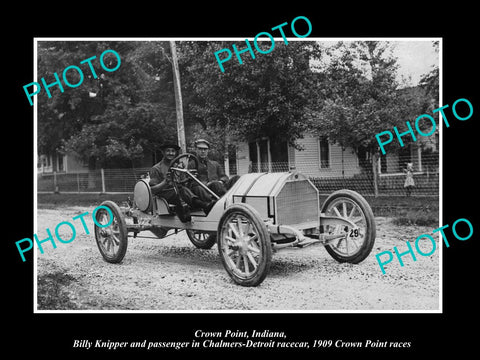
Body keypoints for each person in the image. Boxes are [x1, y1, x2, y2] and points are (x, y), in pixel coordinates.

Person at [149, 143, 215, 216]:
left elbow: (183, 183)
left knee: (197, 187)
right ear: (163, 152)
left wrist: (189, 179)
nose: (170, 153)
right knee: (182, 190)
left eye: (173, 151)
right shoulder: (156, 168)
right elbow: (153, 190)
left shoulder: (178, 166)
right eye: (168, 151)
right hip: (166, 194)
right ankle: (202, 205)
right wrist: (165, 182)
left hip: (180, 192)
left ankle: (212, 206)